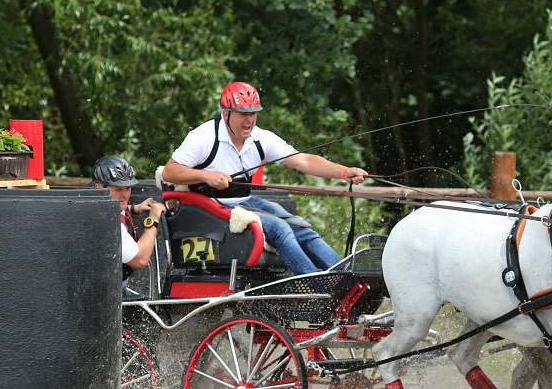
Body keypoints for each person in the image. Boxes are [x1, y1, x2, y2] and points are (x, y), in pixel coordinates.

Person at [161, 81, 368, 275]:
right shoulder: (204, 136)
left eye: (253, 113)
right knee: (279, 228)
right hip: (209, 208)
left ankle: (345, 276)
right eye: (243, 114)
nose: (249, 120)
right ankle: (317, 283)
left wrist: (343, 172)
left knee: (299, 226)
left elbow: (303, 161)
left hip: (243, 203)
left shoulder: (260, 138)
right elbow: (169, 172)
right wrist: (206, 176)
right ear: (226, 114)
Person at [92, 155, 167, 286]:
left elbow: (115, 206)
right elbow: (140, 260)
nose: (125, 195)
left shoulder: (92, 202)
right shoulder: (109, 224)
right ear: (99, 187)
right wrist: (153, 220)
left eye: (128, 188)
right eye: (118, 189)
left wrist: (134, 208)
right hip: (107, 293)